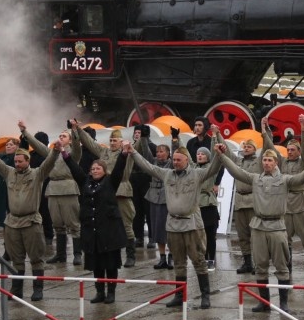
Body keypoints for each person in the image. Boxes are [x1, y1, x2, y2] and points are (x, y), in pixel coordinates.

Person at [215, 145, 304, 313]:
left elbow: (300, 178)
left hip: (277, 226)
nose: (266, 163)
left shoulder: (285, 179)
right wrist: (222, 156)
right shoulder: (256, 178)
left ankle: (284, 303)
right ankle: (264, 302)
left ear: (276, 162)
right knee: (260, 266)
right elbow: (236, 171)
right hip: (259, 226)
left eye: (270, 160)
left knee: (281, 266)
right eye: (264, 160)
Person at [126, 142, 221, 309]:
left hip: (192, 224)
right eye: (174, 159)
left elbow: (213, 169)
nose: (175, 162)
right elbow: (148, 166)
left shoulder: (196, 174)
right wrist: (133, 152)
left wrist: (219, 154)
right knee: (178, 261)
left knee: (199, 260)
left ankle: (205, 295)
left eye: (179, 160)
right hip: (173, 225)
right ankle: (179, 295)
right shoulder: (167, 174)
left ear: (186, 160)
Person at [0, 129, 63, 301]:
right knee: (16, 259)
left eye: (20, 161)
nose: (16, 163)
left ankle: (38, 289)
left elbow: (49, 163)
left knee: (36, 259)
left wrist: (56, 151)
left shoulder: (37, 174)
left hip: (31, 222)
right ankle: (17, 289)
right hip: (13, 222)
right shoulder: (9, 173)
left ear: (27, 161)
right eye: (15, 161)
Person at [20, 121, 82, 266]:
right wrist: (25, 132)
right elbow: (36, 145)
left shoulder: (73, 153)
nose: (61, 138)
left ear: (70, 140)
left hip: (68, 188)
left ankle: (77, 254)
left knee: (73, 223)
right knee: (57, 224)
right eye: (59, 136)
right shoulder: (51, 153)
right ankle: (60, 255)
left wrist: (74, 130)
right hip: (53, 189)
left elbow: (78, 145)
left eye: (64, 136)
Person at [75, 124, 137, 268]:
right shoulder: (104, 152)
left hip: (121, 190)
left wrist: (134, 143)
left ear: (122, 141)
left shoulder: (127, 153)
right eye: (111, 140)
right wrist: (78, 129)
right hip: (104, 192)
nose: (112, 143)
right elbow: (90, 143)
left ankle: (131, 255)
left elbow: (137, 149)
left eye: (115, 140)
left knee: (127, 225)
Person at [262, 116, 304, 276]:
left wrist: (303, 129)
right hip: (286, 205)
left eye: (293, 150)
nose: (289, 152)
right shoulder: (282, 162)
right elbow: (271, 147)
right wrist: (265, 130)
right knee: (286, 239)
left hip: (301, 204)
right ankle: (288, 265)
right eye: (288, 150)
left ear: (298, 152)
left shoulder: (303, 163)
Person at [72, 159, 128, 304]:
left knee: (110, 264)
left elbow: (119, 169)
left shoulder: (110, 181)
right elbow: (75, 169)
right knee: (96, 264)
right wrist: (64, 154)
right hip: (91, 230)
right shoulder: (85, 182)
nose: (95, 171)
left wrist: (124, 154)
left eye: (98, 168)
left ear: (104, 170)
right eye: (93, 168)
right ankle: (99, 291)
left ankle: (111, 292)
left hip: (109, 231)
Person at [230, 136, 261, 275]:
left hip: (252, 200)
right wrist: (217, 136)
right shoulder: (238, 161)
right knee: (242, 235)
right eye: (245, 146)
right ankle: (247, 262)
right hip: (239, 200)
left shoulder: (259, 161)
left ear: (255, 149)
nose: (246, 148)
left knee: (255, 235)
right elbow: (227, 154)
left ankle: (257, 263)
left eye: (249, 146)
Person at [143, 141, 173, 270]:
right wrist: (144, 139)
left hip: (168, 198)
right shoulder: (153, 162)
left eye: (162, 151)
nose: (159, 154)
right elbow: (145, 154)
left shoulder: (172, 163)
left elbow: (178, 151)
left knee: (169, 229)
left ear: (168, 153)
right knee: (157, 228)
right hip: (154, 197)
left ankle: (171, 257)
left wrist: (175, 140)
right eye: (157, 152)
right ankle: (162, 258)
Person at [193, 147, 222, 272]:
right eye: (198, 154)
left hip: (209, 206)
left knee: (210, 235)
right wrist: (176, 139)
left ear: (207, 157)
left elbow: (218, 161)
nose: (200, 156)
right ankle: (202, 259)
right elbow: (185, 156)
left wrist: (214, 139)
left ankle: (211, 260)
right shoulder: (193, 169)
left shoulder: (210, 169)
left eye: (203, 154)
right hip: (196, 206)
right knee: (199, 236)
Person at [0, 137, 18, 228]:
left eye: (11, 145)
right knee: (3, 218)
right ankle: (6, 239)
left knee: (12, 214)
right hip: (1, 189)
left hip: (13, 189)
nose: (8, 147)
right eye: (7, 145)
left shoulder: (18, 158)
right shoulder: (2, 157)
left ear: (17, 147)